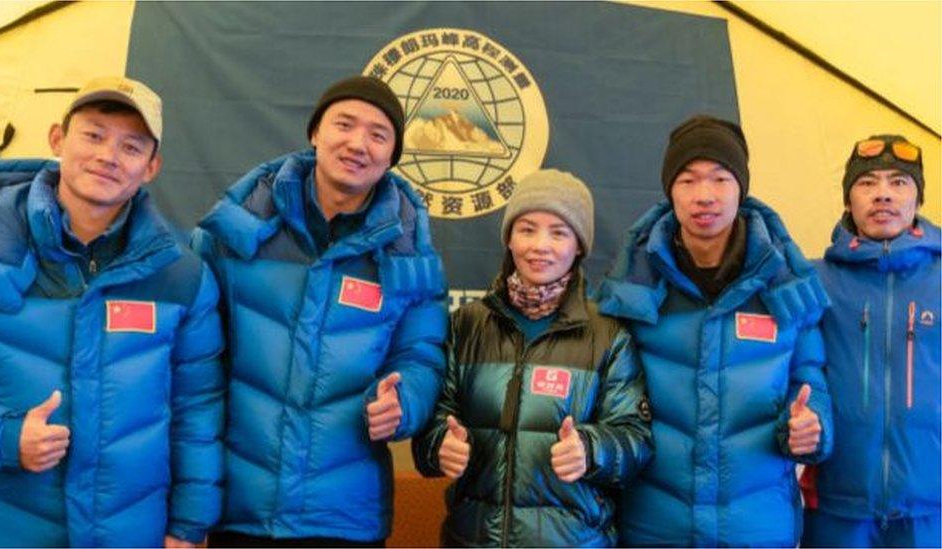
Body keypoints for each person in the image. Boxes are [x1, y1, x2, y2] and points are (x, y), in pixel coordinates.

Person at [0, 76, 225, 547]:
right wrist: (2, 437)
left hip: (128, 532)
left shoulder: (182, 274)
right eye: (94, 135)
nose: (108, 156)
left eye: (131, 146)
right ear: (57, 140)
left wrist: (189, 523)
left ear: (151, 167)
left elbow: (197, 409)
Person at [193, 75, 447, 547]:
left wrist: (404, 402)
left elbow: (422, 356)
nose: (358, 144)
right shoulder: (239, 227)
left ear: (392, 157)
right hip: (241, 506)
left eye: (378, 134)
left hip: (344, 515)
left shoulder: (412, 255)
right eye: (344, 125)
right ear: (315, 133)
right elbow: (192, 357)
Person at [595, 115, 834, 546]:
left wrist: (811, 426)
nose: (704, 196)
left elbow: (810, 383)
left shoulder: (787, 285)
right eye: (688, 180)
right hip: (653, 527)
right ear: (670, 190)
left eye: (720, 179)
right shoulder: (632, 285)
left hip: (757, 527)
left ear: (741, 188)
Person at [412, 169, 653, 547]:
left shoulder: (609, 335)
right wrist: (438, 444)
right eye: (527, 229)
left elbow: (636, 440)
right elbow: (430, 422)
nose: (540, 245)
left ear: (579, 246)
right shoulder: (467, 325)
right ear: (509, 239)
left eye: (559, 232)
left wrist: (591, 450)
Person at [800, 135, 941, 547]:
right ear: (848, 200)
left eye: (899, 182)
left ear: (918, 198)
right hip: (837, 508)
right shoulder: (813, 281)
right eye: (867, 183)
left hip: (931, 509)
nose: (883, 194)